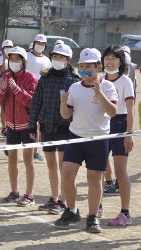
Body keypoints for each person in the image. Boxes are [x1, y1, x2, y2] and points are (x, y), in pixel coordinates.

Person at [55, 48, 118, 233]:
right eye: (81, 66)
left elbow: (113, 112)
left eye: (88, 66)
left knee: (94, 179)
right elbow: (66, 114)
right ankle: (71, 210)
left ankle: (92, 217)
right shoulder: (75, 87)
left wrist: (99, 93)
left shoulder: (107, 86)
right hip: (75, 137)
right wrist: (62, 103)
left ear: (98, 67)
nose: (84, 69)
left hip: (98, 139)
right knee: (67, 174)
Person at [28, 44, 79, 215]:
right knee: (51, 165)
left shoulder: (74, 81)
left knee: (64, 166)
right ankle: (54, 197)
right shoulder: (45, 78)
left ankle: (64, 201)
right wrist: (32, 123)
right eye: (55, 56)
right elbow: (36, 102)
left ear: (68, 60)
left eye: (61, 57)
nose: (57, 59)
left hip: (65, 128)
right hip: (46, 126)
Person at [0, 46, 38, 207]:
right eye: (11, 59)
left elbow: (32, 102)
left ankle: (30, 194)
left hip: (27, 125)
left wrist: (16, 89)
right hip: (11, 125)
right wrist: (3, 89)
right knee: (12, 159)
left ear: (24, 61)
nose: (14, 62)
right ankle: (14, 191)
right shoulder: (5, 76)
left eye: (17, 59)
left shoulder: (31, 78)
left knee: (28, 160)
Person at [100, 46, 134, 226]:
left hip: (120, 124)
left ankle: (125, 213)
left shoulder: (126, 81)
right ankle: (96, 207)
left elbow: (130, 110)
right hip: (102, 125)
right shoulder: (99, 80)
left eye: (114, 58)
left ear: (121, 62)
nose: (110, 61)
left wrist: (129, 135)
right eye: (107, 57)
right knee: (98, 169)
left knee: (121, 172)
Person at [26, 34, 51, 162]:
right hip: (25, 93)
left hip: (41, 93)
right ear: (34, 42)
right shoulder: (26, 56)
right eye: (38, 42)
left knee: (38, 123)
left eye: (42, 43)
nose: (40, 45)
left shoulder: (47, 60)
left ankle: (34, 151)